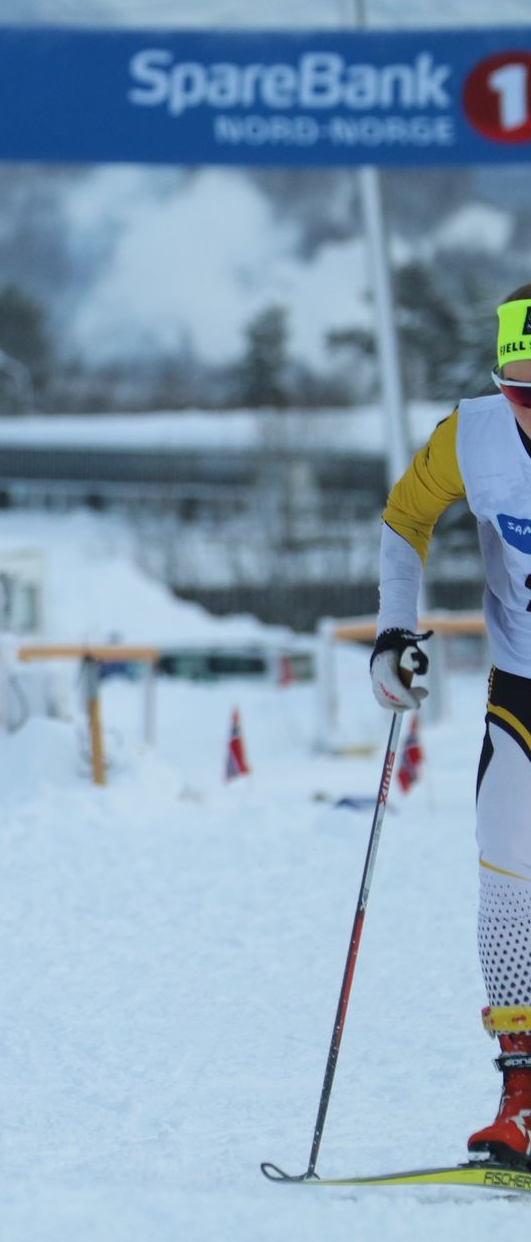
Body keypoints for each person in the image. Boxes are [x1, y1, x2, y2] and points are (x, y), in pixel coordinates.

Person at [374, 280, 531, 1164]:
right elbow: (404, 519)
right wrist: (395, 629)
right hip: (524, 688)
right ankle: (523, 1094)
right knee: (507, 881)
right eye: (524, 397)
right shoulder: (470, 434)